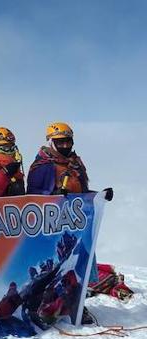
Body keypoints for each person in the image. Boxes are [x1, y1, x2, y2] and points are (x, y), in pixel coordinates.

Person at [27, 122, 114, 324]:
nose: (65, 145)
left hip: (76, 222)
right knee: (54, 266)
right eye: (60, 142)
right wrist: (53, 196)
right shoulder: (43, 166)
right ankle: (45, 307)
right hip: (52, 225)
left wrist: (98, 195)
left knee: (79, 264)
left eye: (68, 141)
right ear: (51, 142)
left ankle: (75, 305)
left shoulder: (75, 163)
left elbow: (81, 191)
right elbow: (31, 194)